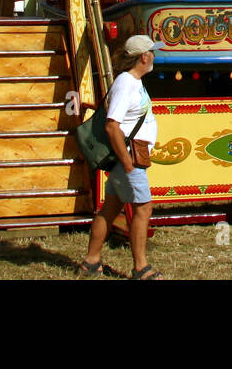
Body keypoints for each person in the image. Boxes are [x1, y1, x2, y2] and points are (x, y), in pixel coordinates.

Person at [79, 36, 160, 280]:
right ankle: (140, 268)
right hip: (129, 159)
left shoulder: (133, 81)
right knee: (143, 209)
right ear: (144, 57)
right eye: (151, 53)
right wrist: (127, 163)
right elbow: (112, 126)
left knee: (110, 208)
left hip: (128, 157)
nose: (154, 57)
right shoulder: (126, 83)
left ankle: (91, 261)